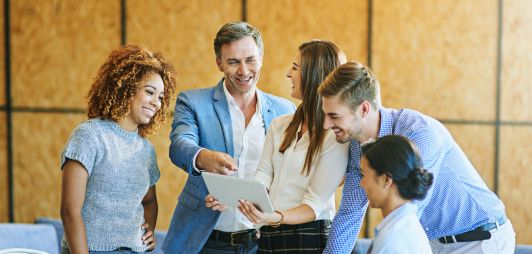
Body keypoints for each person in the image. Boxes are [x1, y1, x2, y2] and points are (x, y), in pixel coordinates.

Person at [319, 62, 516, 254]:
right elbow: (349, 215)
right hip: (435, 243)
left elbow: (408, 211)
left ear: (363, 109)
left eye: (334, 116)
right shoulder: (357, 145)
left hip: (480, 240)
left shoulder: (419, 133)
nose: (326, 125)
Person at [162, 21, 295, 254]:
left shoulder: (286, 111)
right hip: (205, 241)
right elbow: (179, 145)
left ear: (261, 58)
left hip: (264, 243)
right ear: (219, 63)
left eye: (250, 60)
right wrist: (203, 157)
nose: (244, 71)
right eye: (233, 62)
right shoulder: (193, 103)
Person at [208, 40, 349, 253]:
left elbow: (313, 206)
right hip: (270, 234)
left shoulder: (335, 135)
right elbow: (263, 177)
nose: (288, 74)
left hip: (309, 237)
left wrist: (274, 216)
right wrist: (232, 198)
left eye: (295, 67)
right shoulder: (280, 125)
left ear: (313, 74)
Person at [60, 45, 177, 253]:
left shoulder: (146, 150)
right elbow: (70, 211)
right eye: (149, 92)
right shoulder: (89, 135)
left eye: (160, 97)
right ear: (126, 89)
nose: (156, 103)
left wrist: (147, 232)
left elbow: (150, 202)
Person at [360, 135, 433, 253]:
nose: (361, 183)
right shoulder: (405, 226)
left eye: (364, 175)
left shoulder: (392, 238)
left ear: (386, 180)